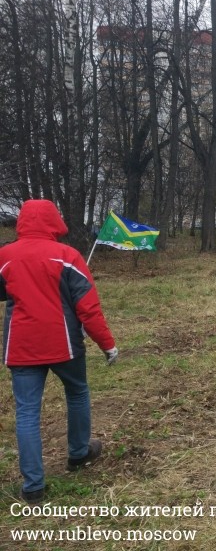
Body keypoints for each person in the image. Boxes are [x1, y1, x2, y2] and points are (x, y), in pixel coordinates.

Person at [0, 199, 117, 504]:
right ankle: (78, 454)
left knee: (27, 412)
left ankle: (33, 487)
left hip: (22, 347)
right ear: (54, 221)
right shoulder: (68, 256)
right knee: (77, 392)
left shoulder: (5, 256)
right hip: (64, 344)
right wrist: (107, 344)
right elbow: (88, 308)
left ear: (22, 222)